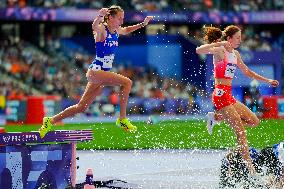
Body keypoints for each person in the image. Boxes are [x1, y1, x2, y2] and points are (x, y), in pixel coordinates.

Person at [39, 5, 153, 138]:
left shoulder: (116, 30)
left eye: (123, 18)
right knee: (127, 83)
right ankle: (122, 119)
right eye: (119, 18)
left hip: (100, 73)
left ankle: (50, 121)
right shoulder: (102, 30)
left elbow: (127, 29)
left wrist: (142, 24)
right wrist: (99, 16)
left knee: (81, 107)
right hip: (97, 72)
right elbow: (94, 27)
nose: (122, 21)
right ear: (110, 17)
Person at [196, 25, 279, 174]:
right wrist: (220, 43)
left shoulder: (236, 54)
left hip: (229, 95)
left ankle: (215, 117)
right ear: (229, 39)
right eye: (238, 37)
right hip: (220, 94)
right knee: (240, 132)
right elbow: (199, 50)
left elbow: (247, 72)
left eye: (241, 37)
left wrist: (268, 80)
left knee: (254, 121)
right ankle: (251, 169)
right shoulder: (220, 51)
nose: (240, 40)